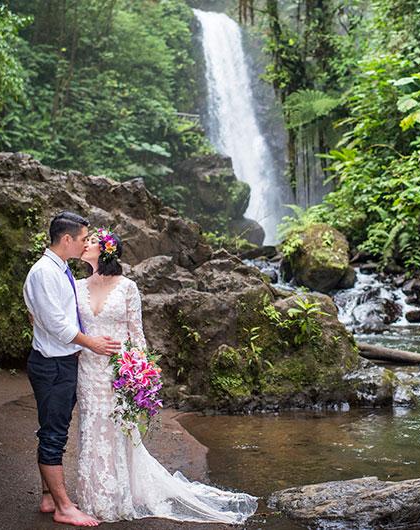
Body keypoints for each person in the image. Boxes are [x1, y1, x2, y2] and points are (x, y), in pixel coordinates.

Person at [74, 227, 257, 523]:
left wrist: (139, 371)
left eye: (93, 241)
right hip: (88, 368)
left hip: (117, 370)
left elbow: (136, 332)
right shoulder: (77, 286)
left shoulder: (127, 287)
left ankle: (118, 497)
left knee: (117, 429)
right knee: (91, 426)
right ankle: (92, 496)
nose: (86, 244)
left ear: (107, 250)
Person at [23, 212, 122, 527]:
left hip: (59, 361)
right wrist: (90, 343)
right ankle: (64, 507)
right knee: (54, 434)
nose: (85, 244)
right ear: (67, 239)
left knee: (51, 427)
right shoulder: (44, 273)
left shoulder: (59, 269)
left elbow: (39, 315)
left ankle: (49, 496)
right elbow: (55, 323)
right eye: (82, 239)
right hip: (53, 365)